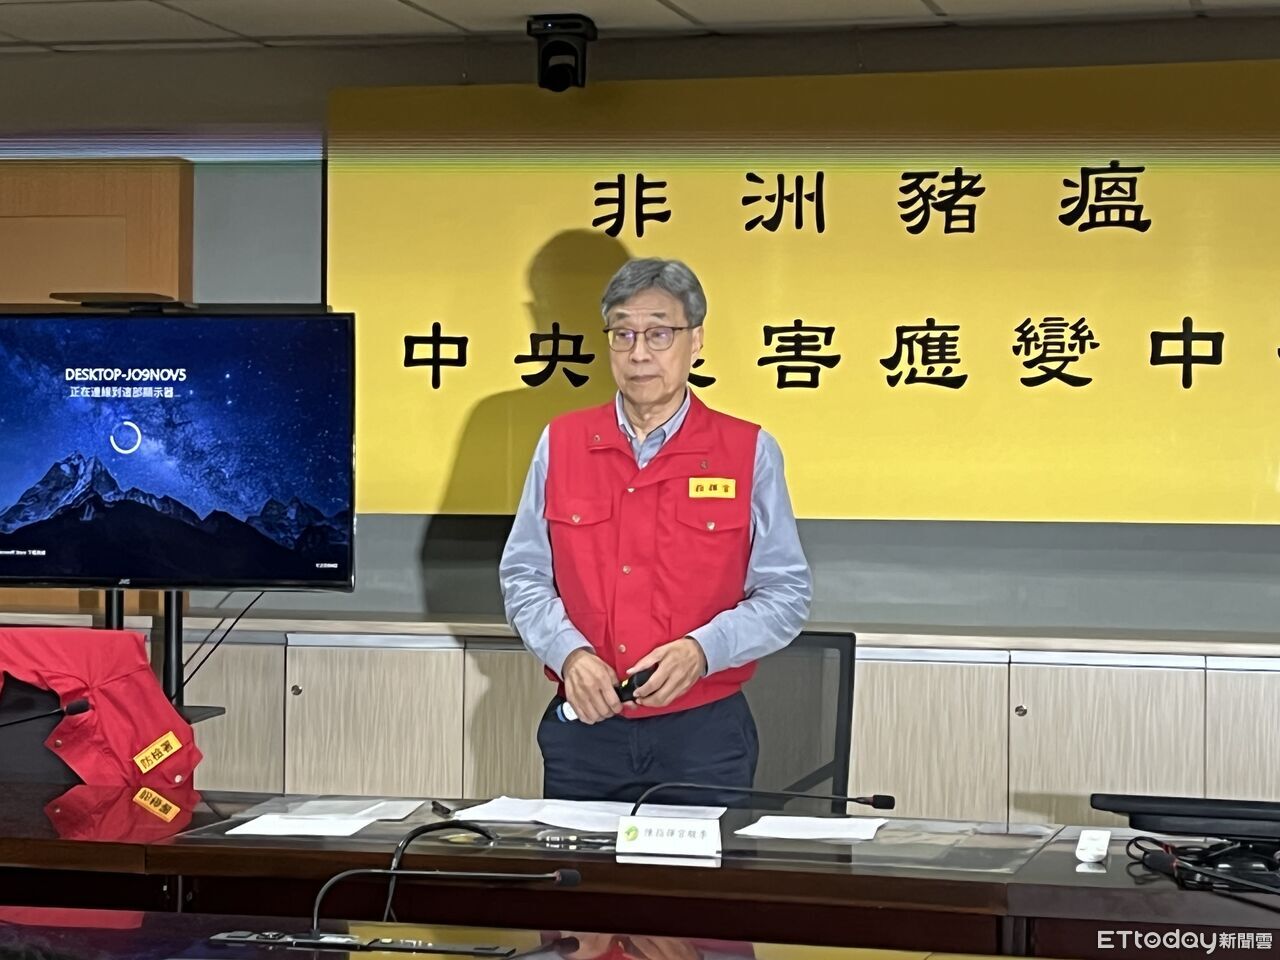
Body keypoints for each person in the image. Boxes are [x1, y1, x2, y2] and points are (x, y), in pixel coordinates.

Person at [499, 258, 811, 805]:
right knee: (579, 865)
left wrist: (703, 651)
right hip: (587, 731)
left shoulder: (748, 451)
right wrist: (570, 654)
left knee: (698, 866)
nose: (639, 353)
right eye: (623, 334)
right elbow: (523, 576)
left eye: (660, 333)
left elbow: (786, 594)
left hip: (704, 736)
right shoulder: (562, 443)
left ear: (696, 341)